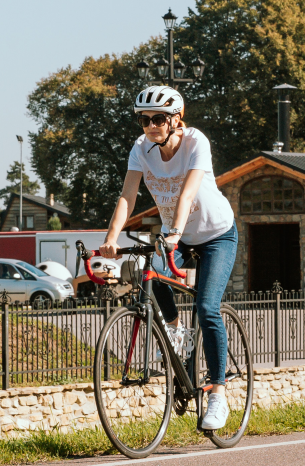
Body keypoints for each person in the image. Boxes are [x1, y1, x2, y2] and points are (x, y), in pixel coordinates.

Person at [98, 84, 238, 433]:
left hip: (215, 235)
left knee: (207, 309)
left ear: (177, 119)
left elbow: (189, 190)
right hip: (174, 237)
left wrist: (174, 230)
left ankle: (218, 393)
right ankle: (175, 331)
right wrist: (110, 239)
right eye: (144, 120)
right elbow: (127, 196)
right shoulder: (141, 149)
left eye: (158, 119)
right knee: (151, 273)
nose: (150, 126)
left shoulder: (195, 142)